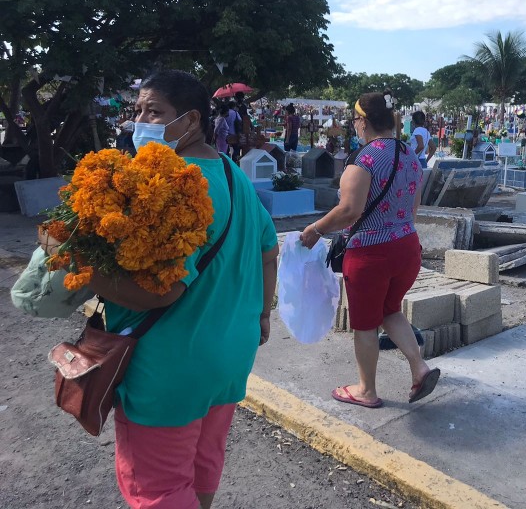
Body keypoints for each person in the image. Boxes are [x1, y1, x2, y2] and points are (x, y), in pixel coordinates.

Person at [41, 70, 278, 509]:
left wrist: (74, 262)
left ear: (189, 120)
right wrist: (262, 315)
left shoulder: (175, 184)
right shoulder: (231, 173)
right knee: (203, 462)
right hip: (229, 356)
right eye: (138, 110)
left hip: (171, 366)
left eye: (154, 111)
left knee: (159, 487)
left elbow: (161, 295)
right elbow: (268, 250)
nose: (140, 121)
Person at [299, 92, 440, 408]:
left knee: (364, 323)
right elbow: (413, 209)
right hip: (407, 248)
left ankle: (366, 390)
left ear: (362, 121)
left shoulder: (363, 159)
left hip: (370, 254)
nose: (354, 125)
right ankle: (420, 367)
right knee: (390, 310)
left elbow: (349, 210)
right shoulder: (409, 155)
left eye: (354, 119)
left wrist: (315, 229)